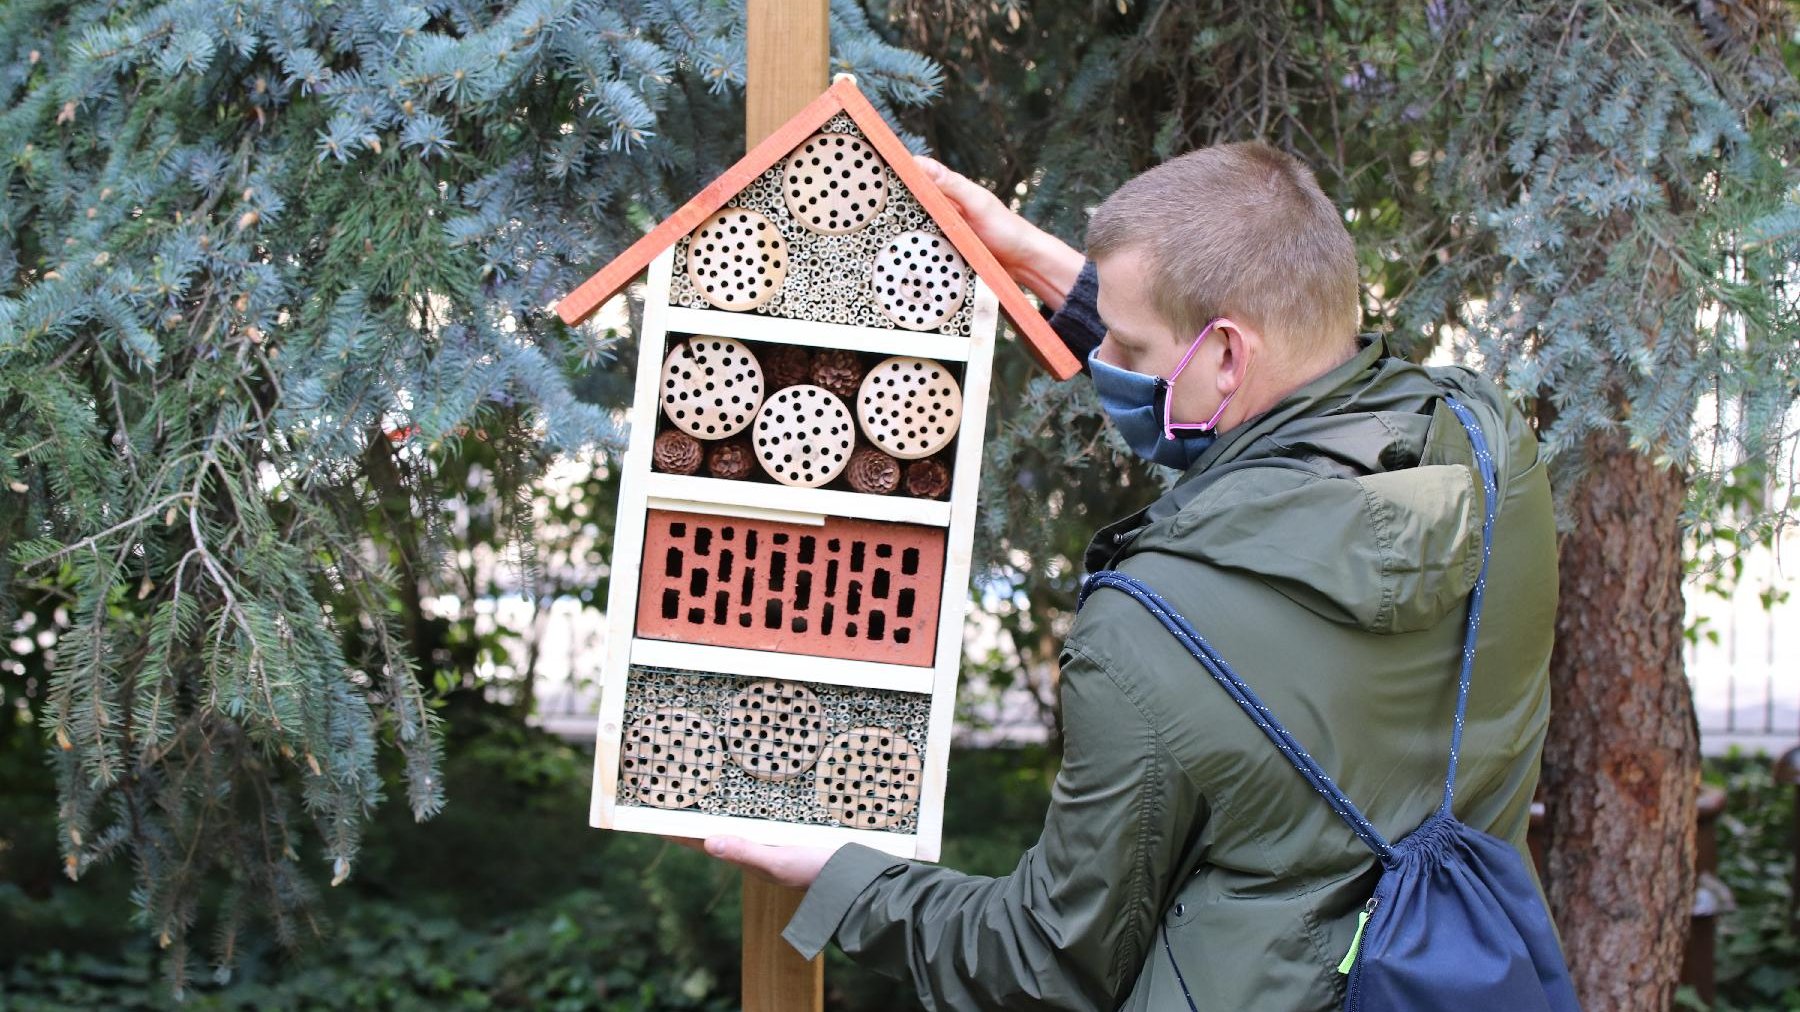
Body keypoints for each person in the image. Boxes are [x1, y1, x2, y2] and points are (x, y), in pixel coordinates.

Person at [698, 142, 1559, 1011]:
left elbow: (1048, 959)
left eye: (1128, 346)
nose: (1105, 362)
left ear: (1226, 357)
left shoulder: (1153, 629)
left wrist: (845, 880)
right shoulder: (1490, 453)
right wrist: (1036, 260)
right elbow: (1284, 407)